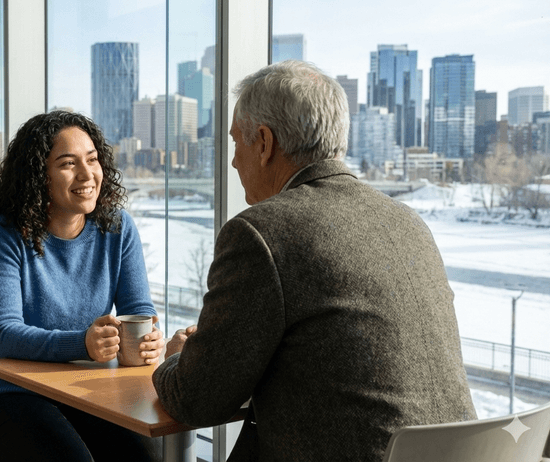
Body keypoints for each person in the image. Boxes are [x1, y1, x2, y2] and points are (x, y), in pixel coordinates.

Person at [152, 61, 477, 461]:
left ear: (265, 143)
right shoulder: (409, 221)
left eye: (237, 143)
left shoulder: (261, 233)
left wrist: (178, 359)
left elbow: (195, 399)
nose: (234, 162)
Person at [0, 111, 164, 462]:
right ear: (38, 175)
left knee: (145, 454)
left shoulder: (117, 227)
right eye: (68, 164)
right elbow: (1, 335)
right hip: (7, 395)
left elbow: (139, 311)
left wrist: (149, 341)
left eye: (93, 160)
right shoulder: (3, 232)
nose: (87, 175)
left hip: (83, 390)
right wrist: (83, 343)